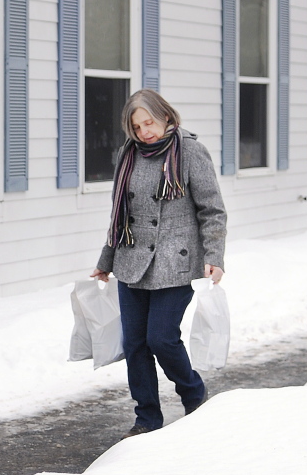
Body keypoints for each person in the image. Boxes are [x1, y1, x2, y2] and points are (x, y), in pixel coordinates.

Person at [91, 89, 226, 438]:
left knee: (162, 339)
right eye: (136, 127)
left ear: (165, 116)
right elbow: (119, 214)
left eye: (149, 122)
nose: (144, 132)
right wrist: (106, 261)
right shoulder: (128, 155)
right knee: (135, 345)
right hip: (131, 260)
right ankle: (147, 418)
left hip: (174, 262)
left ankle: (194, 394)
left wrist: (214, 256)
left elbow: (212, 210)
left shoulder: (190, 151)